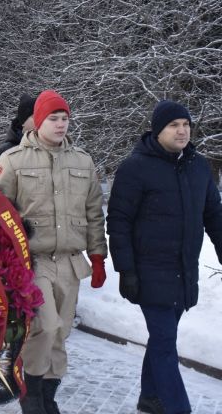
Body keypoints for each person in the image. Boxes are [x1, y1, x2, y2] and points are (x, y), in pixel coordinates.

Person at [0, 90, 108, 414]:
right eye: (53, 118)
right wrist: (3, 266)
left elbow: (94, 213)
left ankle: (48, 394)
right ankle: (30, 395)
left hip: (71, 263)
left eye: (64, 118)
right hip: (33, 263)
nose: (60, 125)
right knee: (46, 326)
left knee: (62, 332)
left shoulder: (82, 162)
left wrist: (98, 257)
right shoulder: (13, 161)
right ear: (38, 121)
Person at [107, 100, 222, 414]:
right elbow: (118, 222)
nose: (182, 130)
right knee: (165, 344)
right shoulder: (135, 168)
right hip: (148, 273)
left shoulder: (198, 166)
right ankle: (177, 408)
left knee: (162, 341)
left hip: (183, 272)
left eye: (185, 124)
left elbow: (213, 213)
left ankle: (150, 396)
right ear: (158, 131)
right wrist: (126, 270)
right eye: (174, 125)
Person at [0, 93, 36, 170]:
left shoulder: (51, 145)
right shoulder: (6, 150)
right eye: (34, 117)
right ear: (23, 122)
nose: (40, 120)